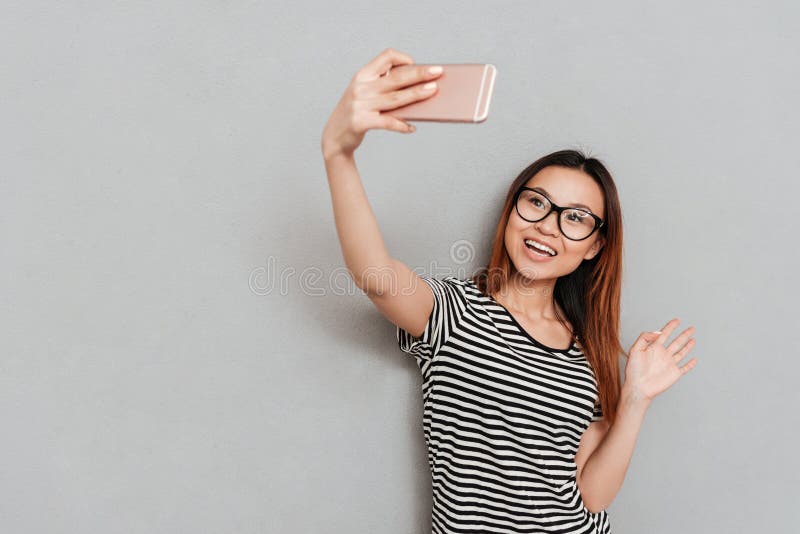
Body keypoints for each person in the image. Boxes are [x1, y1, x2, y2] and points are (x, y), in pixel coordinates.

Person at [321, 47, 698, 534]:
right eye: (536, 203)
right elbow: (375, 273)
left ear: (594, 246)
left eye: (576, 218)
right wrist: (338, 152)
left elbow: (592, 496)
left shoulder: (587, 350)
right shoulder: (455, 312)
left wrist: (636, 399)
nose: (548, 227)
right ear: (512, 210)